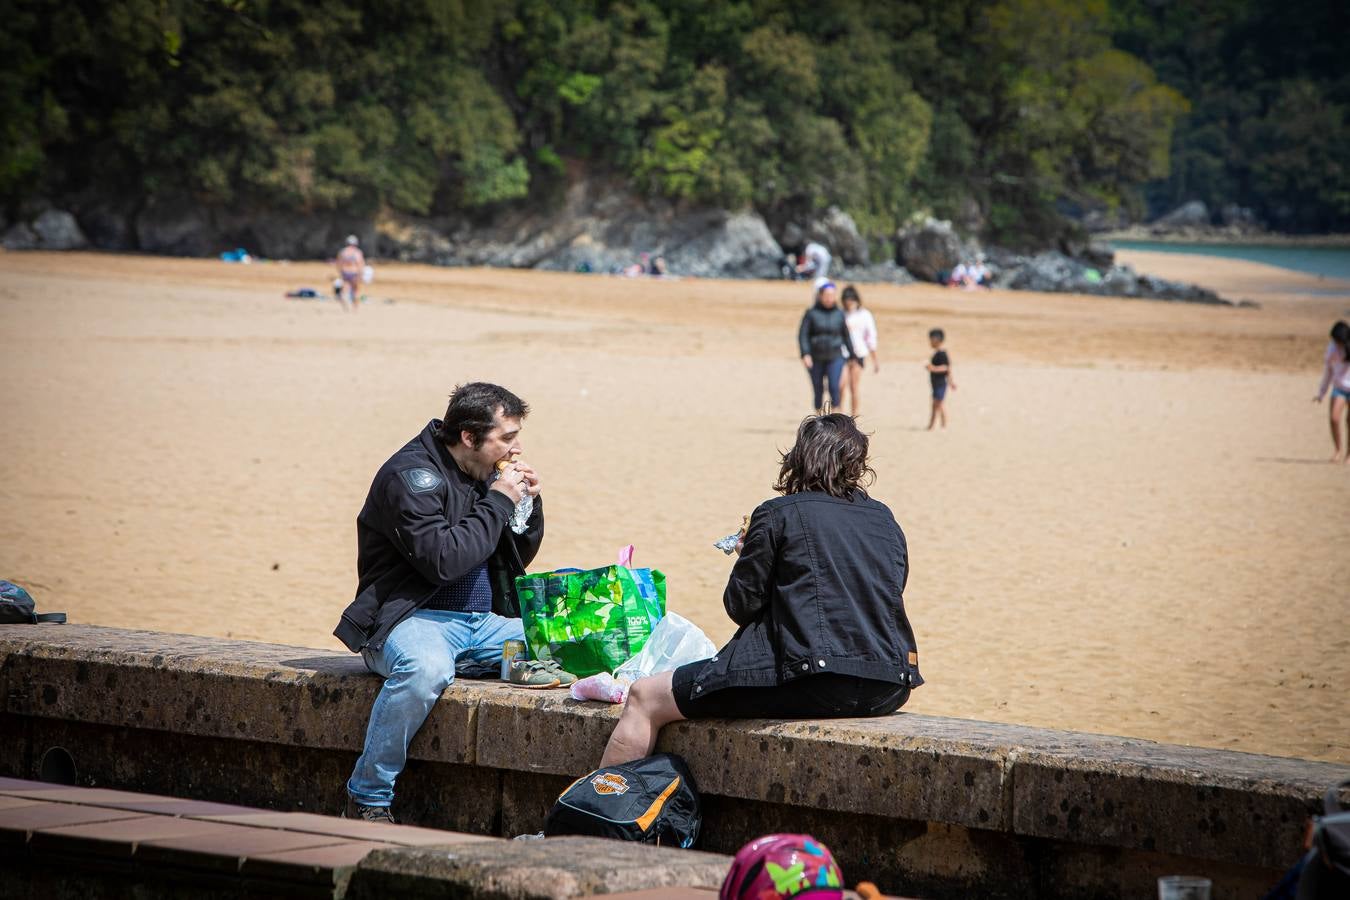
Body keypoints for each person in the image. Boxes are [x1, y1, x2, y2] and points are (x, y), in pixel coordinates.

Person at [598, 414, 922, 768]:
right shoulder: (885, 520)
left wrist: (746, 556)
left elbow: (741, 605)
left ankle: (594, 816)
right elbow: (881, 593)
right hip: (889, 685)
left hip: (814, 677)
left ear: (799, 459)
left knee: (644, 697)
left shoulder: (777, 513)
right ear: (857, 464)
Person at [334, 382, 561, 823]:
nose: (515, 449)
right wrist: (498, 500)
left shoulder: (481, 473)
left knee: (573, 642)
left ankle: (473, 660)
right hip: (407, 620)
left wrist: (525, 506)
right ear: (470, 438)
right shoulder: (411, 478)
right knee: (426, 670)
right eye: (507, 438)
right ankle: (367, 796)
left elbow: (513, 555)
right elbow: (444, 560)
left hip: (481, 622)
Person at [797, 282, 853, 413]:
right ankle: (819, 420)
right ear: (820, 296)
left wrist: (852, 355)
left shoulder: (839, 314)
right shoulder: (811, 313)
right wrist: (805, 354)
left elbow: (846, 336)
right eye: (826, 295)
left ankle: (834, 422)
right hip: (816, 357)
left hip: (835, 356)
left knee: (834, 387)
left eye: (832, 295)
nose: (829, 298)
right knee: (818, 389)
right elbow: (803, 335)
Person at [838, 285, 879, 416]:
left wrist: (875, 359)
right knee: (840, 385)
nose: (849, 302)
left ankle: (854, 416)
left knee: (854, 387)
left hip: (858, 354)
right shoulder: (840, 314)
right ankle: (839, 415)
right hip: (842, 354)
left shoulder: (865, 315)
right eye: (846, 300)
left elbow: (870, 337)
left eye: (851, 299)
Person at [1314, 320, 1350, 463]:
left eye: (1337, 341)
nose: (1335, 343)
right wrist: (1321, 392)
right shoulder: (1332, 349)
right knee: (1334, 418)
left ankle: (1349, 454)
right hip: (1339, 388)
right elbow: (1328, 372)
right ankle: (1338, 450)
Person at [925, 328, 956, 430]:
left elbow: (946, 368)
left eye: (931, 340)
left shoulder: (942, 354)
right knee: (938, 404)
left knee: (937, 404)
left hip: (940, 383)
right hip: (935, 383)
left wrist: (933, 368)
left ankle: (934, 425)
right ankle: (940, 424)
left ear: (937, 340)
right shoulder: (936, 353)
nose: (930, 342)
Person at [336, 235, 365, 310]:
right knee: (355, 290)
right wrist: (361, 274)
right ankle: (355, 308)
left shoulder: (343, 252)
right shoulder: (357, 252)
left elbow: (339, 263)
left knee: (344, 290)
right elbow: (360, 264)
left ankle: (345, 306)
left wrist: (341, 273)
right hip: (354, 272)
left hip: (345, 272)